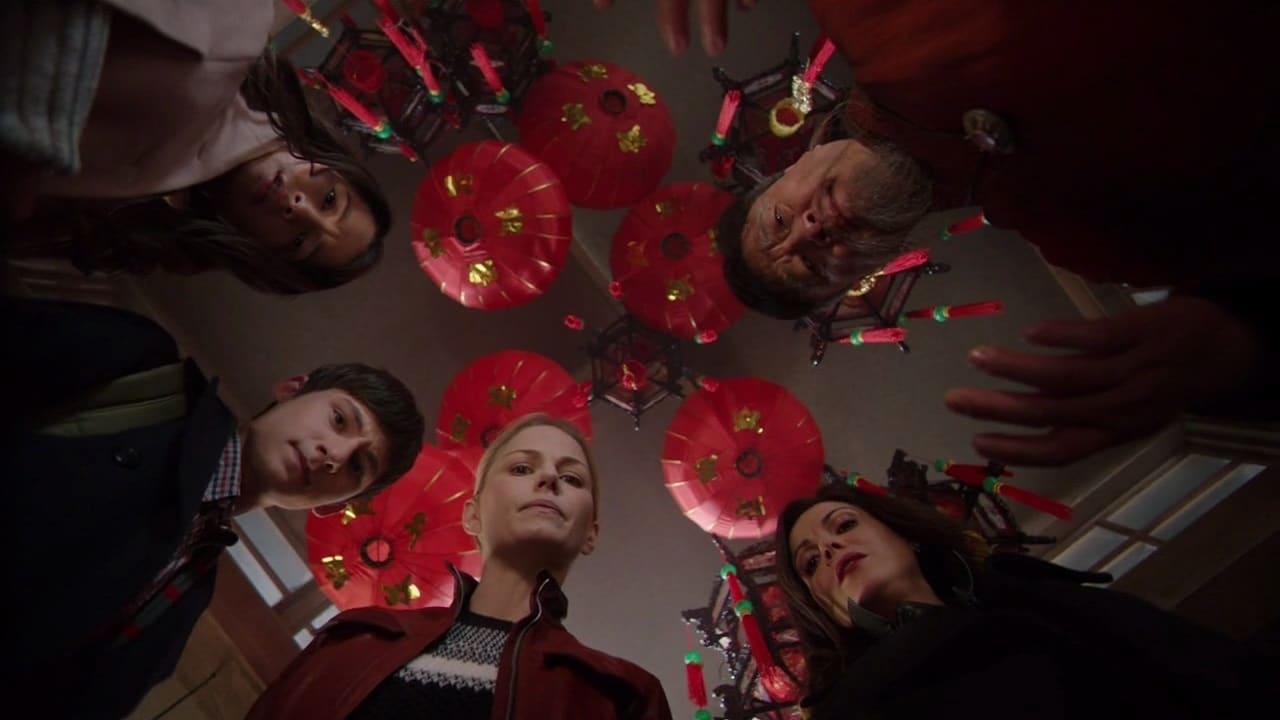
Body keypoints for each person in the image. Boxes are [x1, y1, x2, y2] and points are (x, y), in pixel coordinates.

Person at [603, 0, 1280, 466]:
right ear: (867, 272)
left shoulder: (873, 16)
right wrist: (1246, 341)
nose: (810, 229)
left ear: (790, 163)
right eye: (812, 265)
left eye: (779, 220)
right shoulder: (1096, 241)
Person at [3, 297, 425, 718]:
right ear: (292, 388)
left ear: (334, 507)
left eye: (357, 467)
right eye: (339, 420)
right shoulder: (139, 371)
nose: (335, 454)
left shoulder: (189, 593)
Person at [247, 414, 673, 720]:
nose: (549, 479)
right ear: (472, 515)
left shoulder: (621, 697)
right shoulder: (356, 636)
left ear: (591, 533)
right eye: (522, 468)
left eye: (573, 478)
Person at [774, 483, 1276, 719]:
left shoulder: (1033, 595)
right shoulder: (858, 710)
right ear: (828, 612)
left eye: (843, 525)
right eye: (811, 563)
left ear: (905, 535)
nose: (829, 548)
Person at [1, 0, 392, 294]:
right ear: (327, 158)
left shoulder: (133, 220)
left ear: (259, 252)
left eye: (299, 242)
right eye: (329, 200)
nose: (298, 208)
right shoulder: (235, 34)